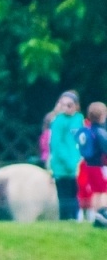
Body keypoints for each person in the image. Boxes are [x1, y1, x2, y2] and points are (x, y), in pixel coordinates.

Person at [48, 90, 83, 221]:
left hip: (76, 165)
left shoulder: (78, 119)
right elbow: (56, 145)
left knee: (75, 195)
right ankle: (65, 220)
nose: (66, 108)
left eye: (70, 105)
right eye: (63, 105)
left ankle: (74, 219)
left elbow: (79, 141)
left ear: (76, 106)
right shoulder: (58, 121)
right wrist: (69, 162)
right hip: (62, 167)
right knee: (64, 197)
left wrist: (78, 160)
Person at [75, 104, 107, 228]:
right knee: (104, 191)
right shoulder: (101, 132)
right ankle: (103, 214)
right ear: (103, 115)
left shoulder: (87, 131)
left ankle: (95, 215)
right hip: (100, 166)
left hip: (89, 166)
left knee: (95, 192)